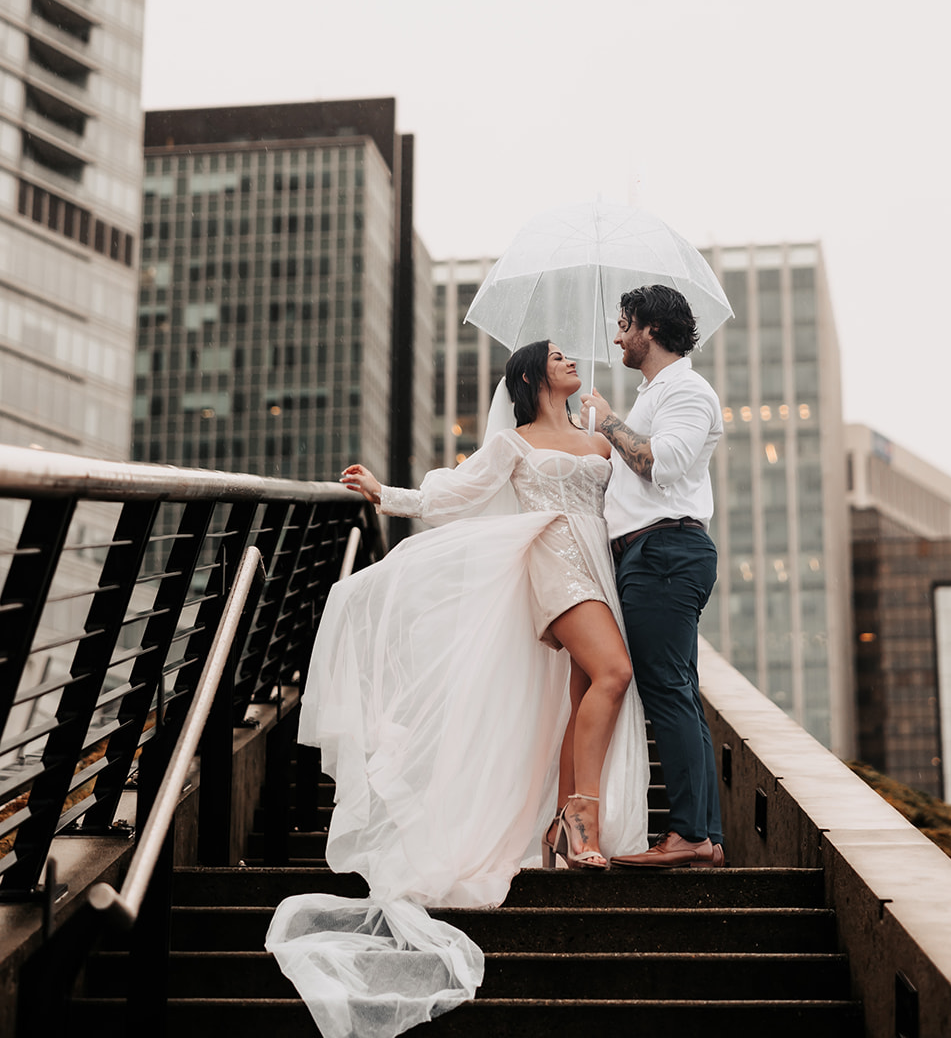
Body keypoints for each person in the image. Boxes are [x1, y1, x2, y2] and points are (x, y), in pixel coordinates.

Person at [266, 340, 648, 1038]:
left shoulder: (598, 435)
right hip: (554, 556)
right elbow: (456, 495)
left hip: (603, 564)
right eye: (558, 356)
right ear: (532, 375)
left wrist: (613, 421)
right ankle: (581, 822)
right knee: (612, 674)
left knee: (579, 693)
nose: (573, 362)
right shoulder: (511, 442)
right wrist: (388, 494)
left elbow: (643, 487)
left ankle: (564, 827)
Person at [581, 284, 726, 868]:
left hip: (665, 551)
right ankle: (703, 834)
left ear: (649, 327)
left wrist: (610, 422)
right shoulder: (655, 393)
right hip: (650, 554)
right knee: (678, 691)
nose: (616, 336)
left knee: (667, 689)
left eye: (623, 324)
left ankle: (690, 834)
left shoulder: (688, 390)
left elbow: (659, 463)